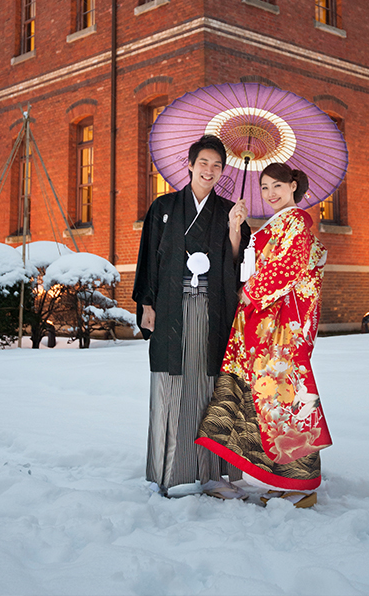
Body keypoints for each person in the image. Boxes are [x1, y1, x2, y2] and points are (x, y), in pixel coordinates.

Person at [196, 162, 332, 507]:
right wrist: (237, 227)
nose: (271, 194)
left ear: (293, 186)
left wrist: (250, 292)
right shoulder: (273, 224)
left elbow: (287, 267)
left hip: (280, 325)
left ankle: (303, 484)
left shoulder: (298, 221)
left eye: (277, 186)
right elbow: (251, 260)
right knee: (267, 400)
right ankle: (284, 478)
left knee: (287, 397)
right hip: (262, 320)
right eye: (265, 188)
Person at [133, 134, 250, 496]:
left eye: (217, 166)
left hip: (212, 308)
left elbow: (234, 262)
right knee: (172, 383)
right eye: (204, 163)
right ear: (189, 164)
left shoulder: (228, 210)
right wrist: (147, 304)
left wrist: (234, 227)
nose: (210, 171)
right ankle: (171, 470)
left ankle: (212, 473)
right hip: (171, 306)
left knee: (209, 385)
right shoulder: (164, 206)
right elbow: (150, 258)